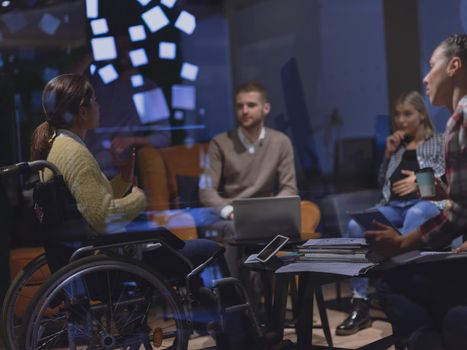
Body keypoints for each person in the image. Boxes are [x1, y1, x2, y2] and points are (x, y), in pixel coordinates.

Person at [30, 73, 227, 282]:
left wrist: (124, 178)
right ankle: (234, 314)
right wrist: (138, 198)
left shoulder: (59, 146)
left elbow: (87, 203)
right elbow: (103, 217)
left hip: (94, 257)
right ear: (82, 111)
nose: (100, 106)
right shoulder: (75, 153)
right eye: (95, 100)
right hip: (109, 260)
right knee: (209, 249)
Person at [365, 34, 467, 350]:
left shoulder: (459, 121)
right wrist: (445, 191)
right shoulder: (398, 146)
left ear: (453, 65)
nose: (425, 77)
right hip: (400, 205)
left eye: (430, 65)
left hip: (428, 216)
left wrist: (401, 243)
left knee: (390, 280)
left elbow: (458, 214)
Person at [336, 91, 445, 336]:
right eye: (397, 115)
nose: (401, 120)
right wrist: (387, 154)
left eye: (407, 114)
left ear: (421, 114)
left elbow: (444, 176)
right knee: (356, 226)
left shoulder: (438, 140)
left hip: (426, 204)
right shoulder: (397, 146)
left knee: (416, 214)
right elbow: (382, 181)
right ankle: (360, 301)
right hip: (393, 205)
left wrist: (418, 179)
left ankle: (399, 290)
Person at [198, 81, 298, 278]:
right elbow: (206, 191)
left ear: (265, 108)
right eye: (239, 106)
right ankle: (235, 299)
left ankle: (275, 299)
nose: (244, 111)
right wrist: (230, 212)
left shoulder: (281, 142)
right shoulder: (220, 142)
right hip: (229, 216)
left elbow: (289, 188)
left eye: (251, 105)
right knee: (236, 229)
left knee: (291, 230)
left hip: (265, 215)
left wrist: (271, 210)